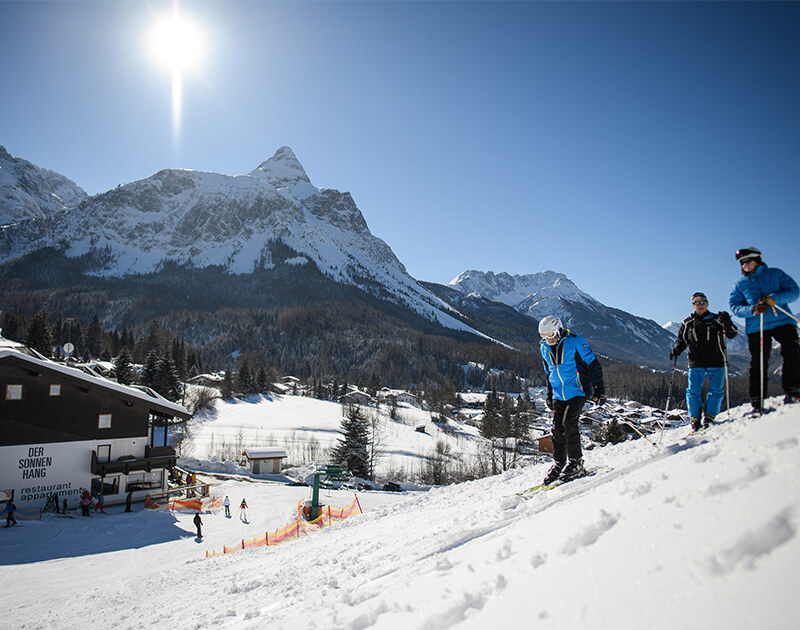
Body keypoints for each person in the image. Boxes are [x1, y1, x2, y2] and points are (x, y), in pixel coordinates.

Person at [729, 247, 800, 411]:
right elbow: (734, 306)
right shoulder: (740, 284)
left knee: (792, 352)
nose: (745, 265)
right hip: (757, 325)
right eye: (742, 262)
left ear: (757, 260)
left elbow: (794, 291)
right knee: (759, 362)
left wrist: (775, 299)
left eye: (748, 261)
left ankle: (793, 391)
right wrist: (752, 309)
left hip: (782, 320)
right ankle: (757, 400)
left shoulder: (775, 274)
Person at [538, 315, 605, 484]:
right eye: (543, 335)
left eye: (550, 334)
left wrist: (599, 389)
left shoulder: (575, 341)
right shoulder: (544, 347)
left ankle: (576, 463)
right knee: (557, 429)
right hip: (559, 394)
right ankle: (559, 463)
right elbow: (549, 373)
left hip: (578, 390)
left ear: (559, 330)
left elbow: (593, 364)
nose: (548, 338)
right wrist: (549, 394)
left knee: (569, 423)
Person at [670, 292, 738, 431]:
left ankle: (709, 417)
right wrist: (677, 349)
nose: (700, 305)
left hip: (716, 360)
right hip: (696, 361)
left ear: (707, 303)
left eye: (702, 302)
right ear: (693, 305)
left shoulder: (717, 320)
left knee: (716, 390)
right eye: (697, 302)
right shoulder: (687, 323)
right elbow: (682, 341)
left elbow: (732, 333)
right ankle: (695, 418)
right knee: (693, 391)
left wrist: (727, 322)